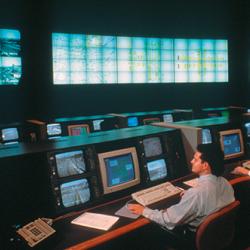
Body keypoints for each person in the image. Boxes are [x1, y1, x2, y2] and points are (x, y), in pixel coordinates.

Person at [128, 143, 235, 234]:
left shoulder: (196, 193)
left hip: (191, 237)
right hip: (216, 235)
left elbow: (168, 219)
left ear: (205, 165)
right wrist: (190, 195)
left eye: (195, 159)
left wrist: (144, 210)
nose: (191, 161)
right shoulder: (225, 183)